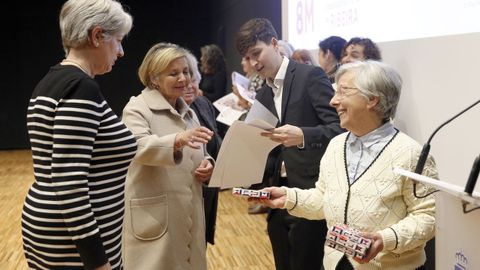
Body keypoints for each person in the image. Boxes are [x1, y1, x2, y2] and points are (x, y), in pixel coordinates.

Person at [256, 60, 437, 270]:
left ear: (372, 99)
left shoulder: (411, 153)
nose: (333, 101)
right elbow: (324, 199)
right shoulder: (336, 145)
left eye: (343, 92)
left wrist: (384, 239)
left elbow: (428, 217)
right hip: (335, 264)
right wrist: (288, 197)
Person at [21, 1, 135, 269]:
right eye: (118, 41)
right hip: (74, 240)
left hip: (56, 228)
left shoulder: (51, 82)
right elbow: (69, 183)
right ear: (97, 36)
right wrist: (97, 261)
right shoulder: (81, 88)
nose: (120, 52)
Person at [235, 18, 344, 270]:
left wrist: (303, 135)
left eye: (256, 53)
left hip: (311, 193)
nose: (253, 63)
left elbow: (339, 129)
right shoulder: (263, 92)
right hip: (276, 196)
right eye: (247, 58)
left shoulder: (310, 76)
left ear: (274, 44)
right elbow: (267, 145)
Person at [122, 43, 214, 270]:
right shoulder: (136, 108)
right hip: (155, 218)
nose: (183, 78)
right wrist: (178, 140)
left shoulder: (188, 110)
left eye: (186, 72)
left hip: (189, 213)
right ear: (154, 78)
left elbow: (201, 151)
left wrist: (208, 164)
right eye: (174, 73)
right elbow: (137, 147)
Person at [184, 49, 223, 245]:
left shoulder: (202, 103)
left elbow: (215, 141)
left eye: (194, 80)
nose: (190, 86)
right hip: (184, 199)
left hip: (206, 193)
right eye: (185, 82)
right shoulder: (170, 110)